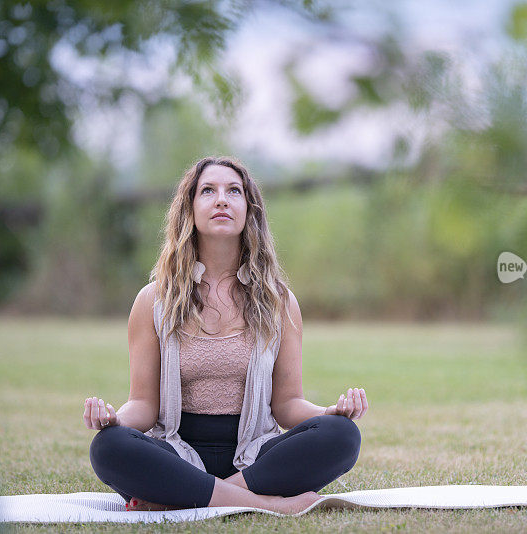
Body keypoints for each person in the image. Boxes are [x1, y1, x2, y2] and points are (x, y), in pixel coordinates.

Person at [83, 156, 369, 515]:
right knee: (108, 447)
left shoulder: (278, 301)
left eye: (233, 191)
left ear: (249, 210)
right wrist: (114, 421)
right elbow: (143, 405)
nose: (222, 199)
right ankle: (268, 505)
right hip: (176, 452)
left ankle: (178, 499)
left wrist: (330, 412)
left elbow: (287, 405)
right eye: (208, 191)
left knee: (341, 436)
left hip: (255, 457)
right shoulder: (152, 300)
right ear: (190, 209)